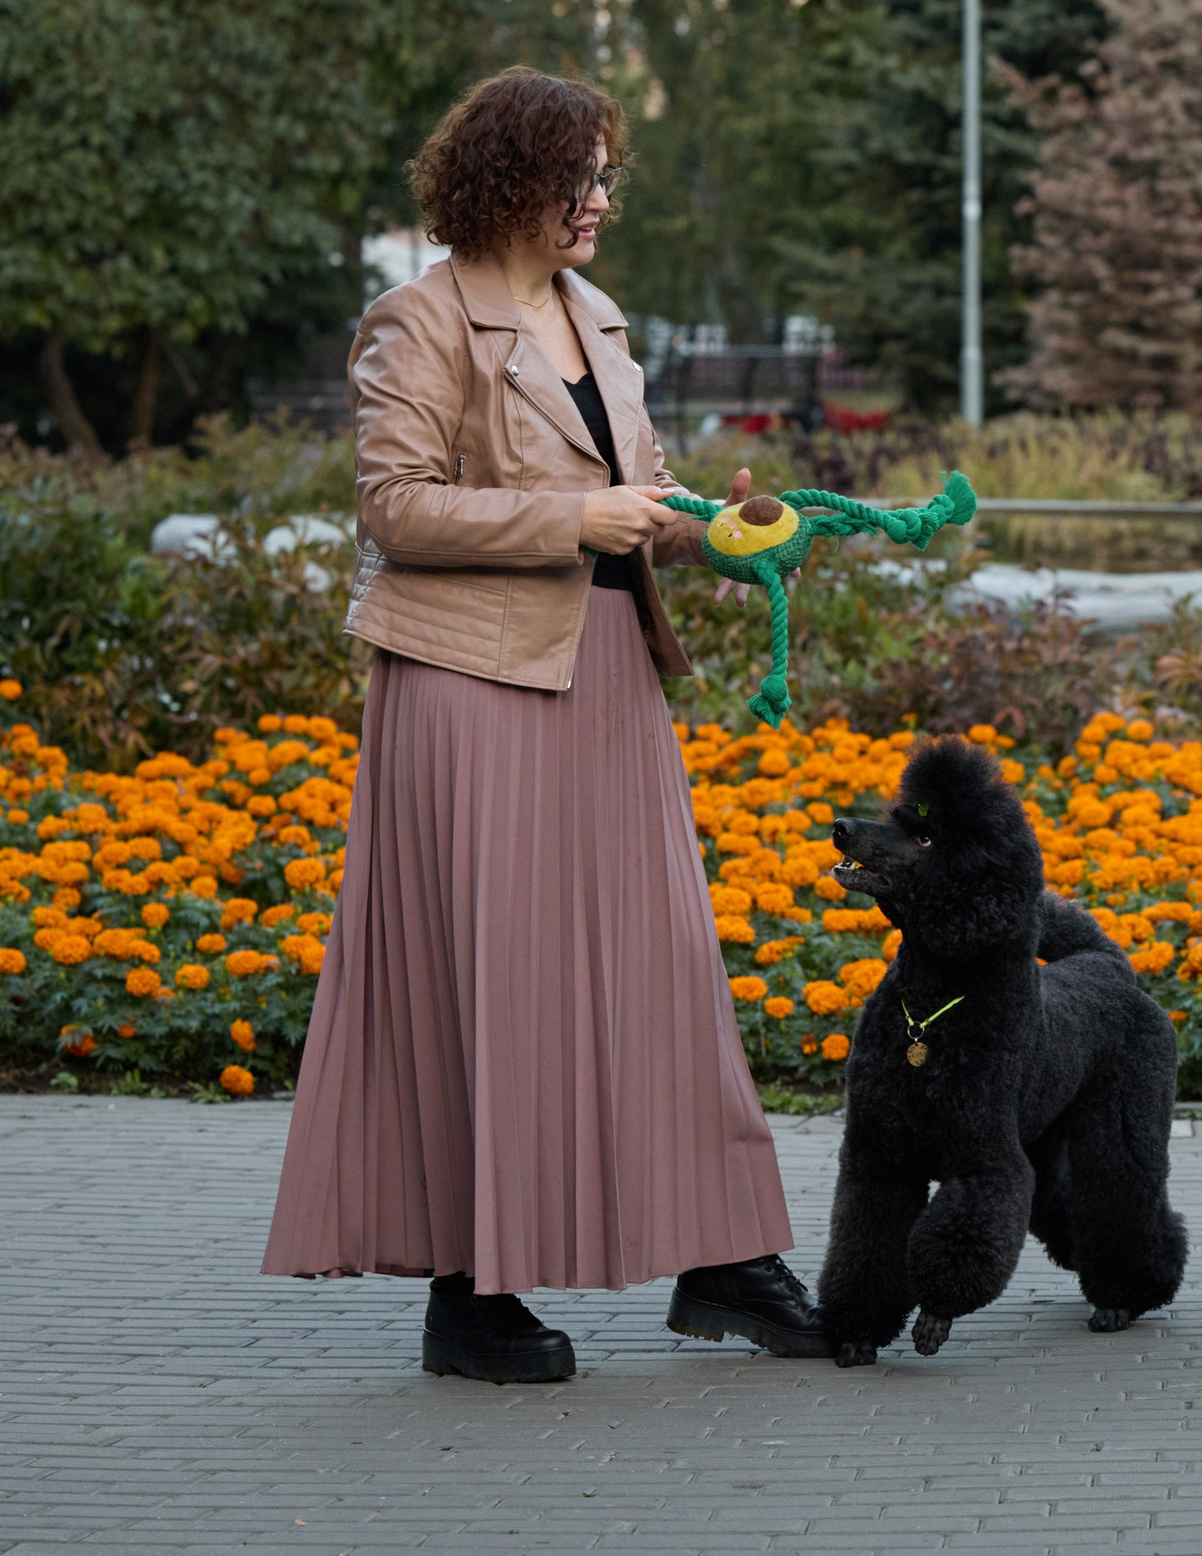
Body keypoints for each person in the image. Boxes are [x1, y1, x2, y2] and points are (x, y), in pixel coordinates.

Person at [261, 67, 829, 1380]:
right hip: (469, 688)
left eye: (609, 176)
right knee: (492, 982)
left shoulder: (601, 319)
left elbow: (636, 502)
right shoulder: (420, 320)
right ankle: (472, 1294)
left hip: (608, 680)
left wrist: (722, 536)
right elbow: (393, 510)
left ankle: (725, 1254)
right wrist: (573, 522)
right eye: (584, 175)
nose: (602, 201)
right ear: (515, 177)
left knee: (667, 967)